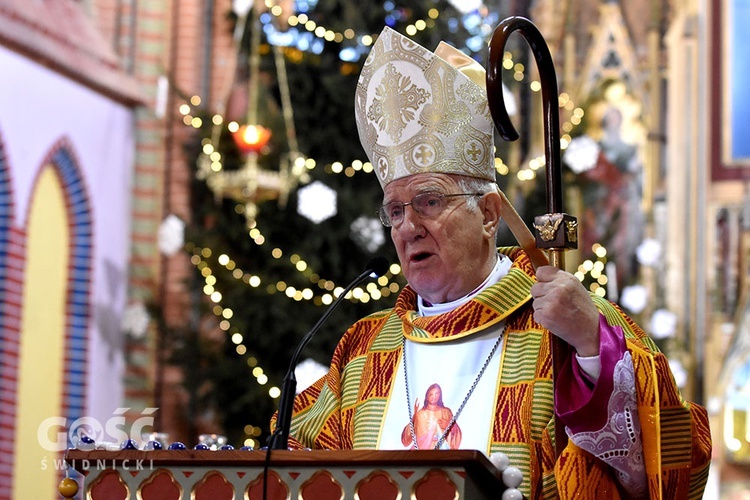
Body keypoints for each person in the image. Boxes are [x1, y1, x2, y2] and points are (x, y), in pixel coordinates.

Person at [272, 26, 711, 499]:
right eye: (395, 211)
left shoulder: (567, 326)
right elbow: (290, 466)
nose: (407, 226)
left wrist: (591, 352)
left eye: (429, 202)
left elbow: (671, 470)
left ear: (488, 213)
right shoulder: (363, 351)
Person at [400, 383, 462, 450]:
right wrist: (414, 415)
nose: (434, 397)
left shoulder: (446, 412)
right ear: (427, 397)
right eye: (431, 394)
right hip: (423, 454)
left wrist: (449, 426)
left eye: (436, 394)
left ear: (440, 395)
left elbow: (457, 434)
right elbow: (406, 440)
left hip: (443, 453)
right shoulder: (420, 414)